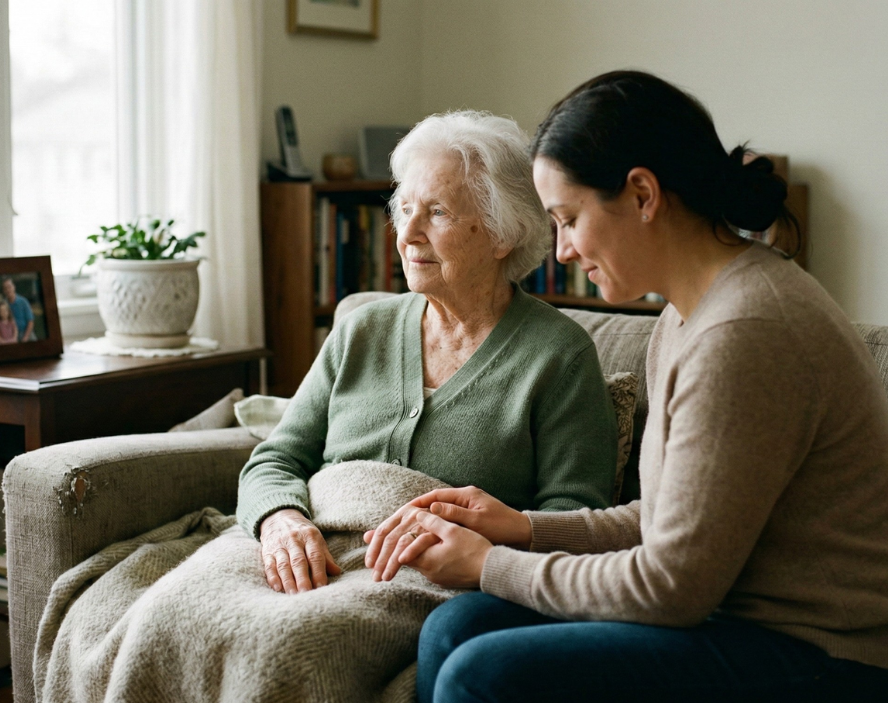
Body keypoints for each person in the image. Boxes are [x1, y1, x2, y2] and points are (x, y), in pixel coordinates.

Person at [368, 71, 888, 703]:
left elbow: (672, 586)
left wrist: (489, 564)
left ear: (642, 194)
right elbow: (667, 521)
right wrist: (521, 528)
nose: (562, 249)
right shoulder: (684, 315)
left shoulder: (748, 330)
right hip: (737, 625)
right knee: (456, 626)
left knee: (485, 675)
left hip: (832, 662)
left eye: (570, 218)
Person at [237, 109, 619, 595]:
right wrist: (280, 521)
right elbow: (276, 460)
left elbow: (573, 517)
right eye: (405, 209)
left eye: (437, 212)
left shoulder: (558, 356)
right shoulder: (361, 331)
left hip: (424, 583)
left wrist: (474, 539)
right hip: (297, 563)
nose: (408, 233)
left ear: (503, 233)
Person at [1, 277, 35, 342]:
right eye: (5, 288)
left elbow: (30, 321)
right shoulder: (4, 305)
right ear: (3, 291)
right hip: (10, 336)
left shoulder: (23, 301)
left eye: (9, 287)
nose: (8, 290)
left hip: (26, 332)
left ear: (14, 287)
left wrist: (26, 337)